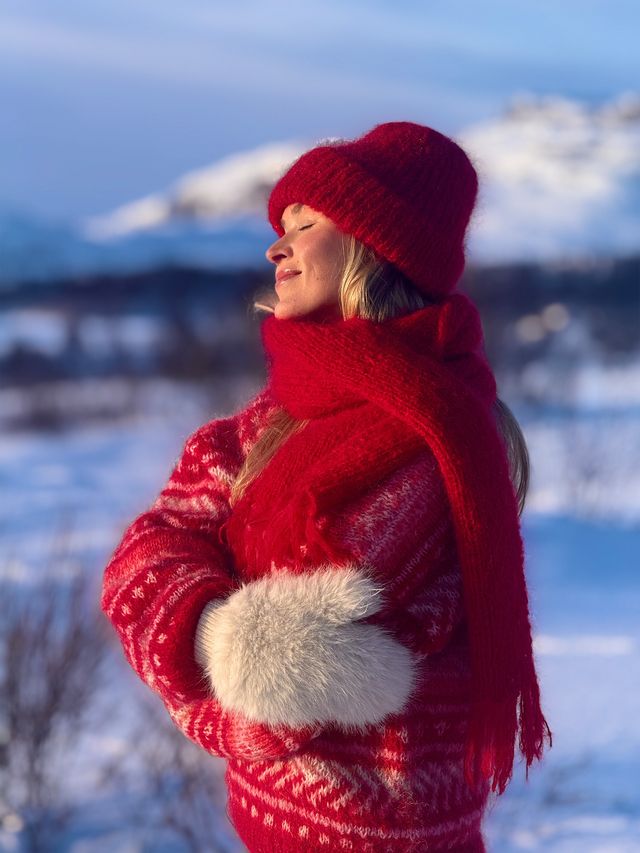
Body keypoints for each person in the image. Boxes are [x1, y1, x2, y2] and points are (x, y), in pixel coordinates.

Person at [101, 121, 552, 852]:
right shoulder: (279, 415)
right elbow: (144, 550)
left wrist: (199, 630)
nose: (275, 246)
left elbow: (286, 692)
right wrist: (222, 635)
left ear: (376, 249)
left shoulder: (442, 435)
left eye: (304, 224)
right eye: (279, 227)